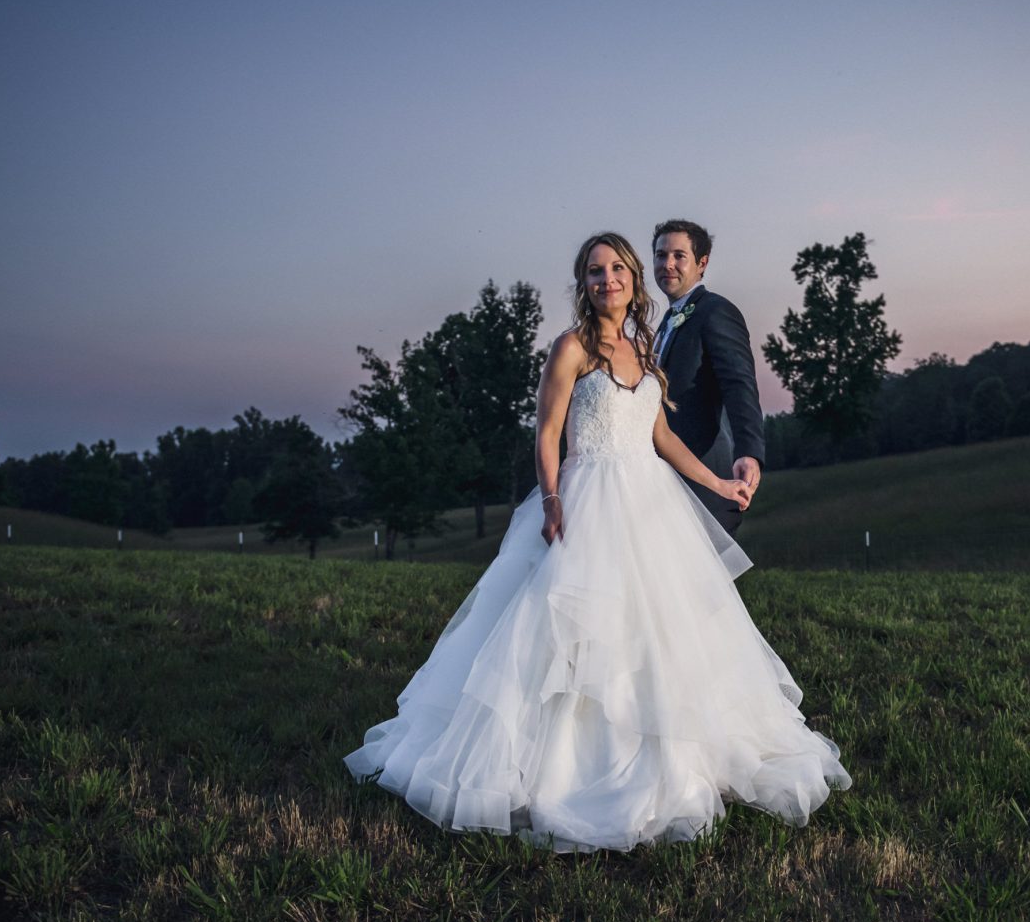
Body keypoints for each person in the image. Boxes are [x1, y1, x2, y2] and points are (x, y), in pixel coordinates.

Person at [344, 231, 851, 853]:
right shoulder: (571, 347)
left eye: (616, 269)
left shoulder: (645, 348)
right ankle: (566, 766)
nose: (606, 279)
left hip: (650, 505)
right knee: (570, 634)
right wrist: (552, 500)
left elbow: (662, 436)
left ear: (633, 280)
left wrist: (718, 480)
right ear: (583, 283)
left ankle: (672, 751)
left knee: (660, 630)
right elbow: (547, 432)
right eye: (594, 271)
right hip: (587, 500)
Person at [651, 219, 764, 535]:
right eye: (661, 255)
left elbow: (739, 383)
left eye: (679, 256)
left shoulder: (715, 311)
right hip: (667, 473)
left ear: (702, 263)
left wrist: (749, 452)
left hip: (707, 468)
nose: (668, 264)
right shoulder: (666, 321)